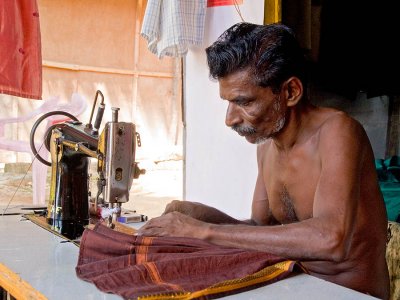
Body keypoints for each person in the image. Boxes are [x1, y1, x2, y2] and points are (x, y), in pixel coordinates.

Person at [137, 22, 390, 299]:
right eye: (228, 102)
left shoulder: (338, 132)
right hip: (295, 288)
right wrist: (198, 214)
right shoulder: (267, 148)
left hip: (350, 294)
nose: (230, 119)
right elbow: (260, 231)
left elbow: (331, 240)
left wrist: (203, 231)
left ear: (291, 92)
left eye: (244, 102)